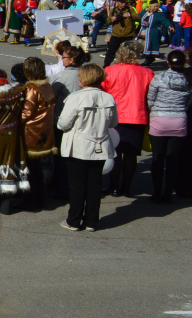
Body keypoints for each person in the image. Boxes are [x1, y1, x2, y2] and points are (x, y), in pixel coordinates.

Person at [56, 63, 118, 231]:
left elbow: (63, 123)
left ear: (84, 78)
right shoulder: (108, 98)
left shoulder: (75, 97)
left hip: (78, 146)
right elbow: (113, 123)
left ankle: (74, 220)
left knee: (77, 185)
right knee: (94, 184)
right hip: (100, 145)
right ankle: (91, 221)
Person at [102, 40, 153, 198]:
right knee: (131, 154)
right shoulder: (147, 73)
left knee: (114, 153)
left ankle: (114, 186)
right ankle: (127, 187)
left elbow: (103, 93)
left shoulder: (110, 70)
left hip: (115, 117)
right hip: (137, 116)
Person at [146, 50, 189, 204]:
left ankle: (157, 192)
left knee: (158, 158)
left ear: (168, 63)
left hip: (159, 120)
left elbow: (150, 99)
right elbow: (188, 101)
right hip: (179, 120)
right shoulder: (187, 80)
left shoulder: (159, 78)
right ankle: (168, 194)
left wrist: (155, 111)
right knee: (173, 160)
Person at [21, 57, 57, 211]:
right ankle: (40, 198)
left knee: (31, 170)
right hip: (45, 131)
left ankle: (32, 201)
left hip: (32, 132)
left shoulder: (31, 89)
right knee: (39, 169)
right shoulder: (47, 86)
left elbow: (26, 113)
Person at [103, 0, 138, 67]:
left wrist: (131, 15)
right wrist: (112, 19)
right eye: (121, 2)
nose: (124, 4)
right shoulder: (113, 10)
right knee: (111, 52)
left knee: (128, 52)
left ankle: (129, 66)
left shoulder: (130, 9)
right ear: (118, 2)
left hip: (128, 35)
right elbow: (108, 21)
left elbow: (138, 18)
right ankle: (106, 66)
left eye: (124, 2)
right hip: (116, 35)